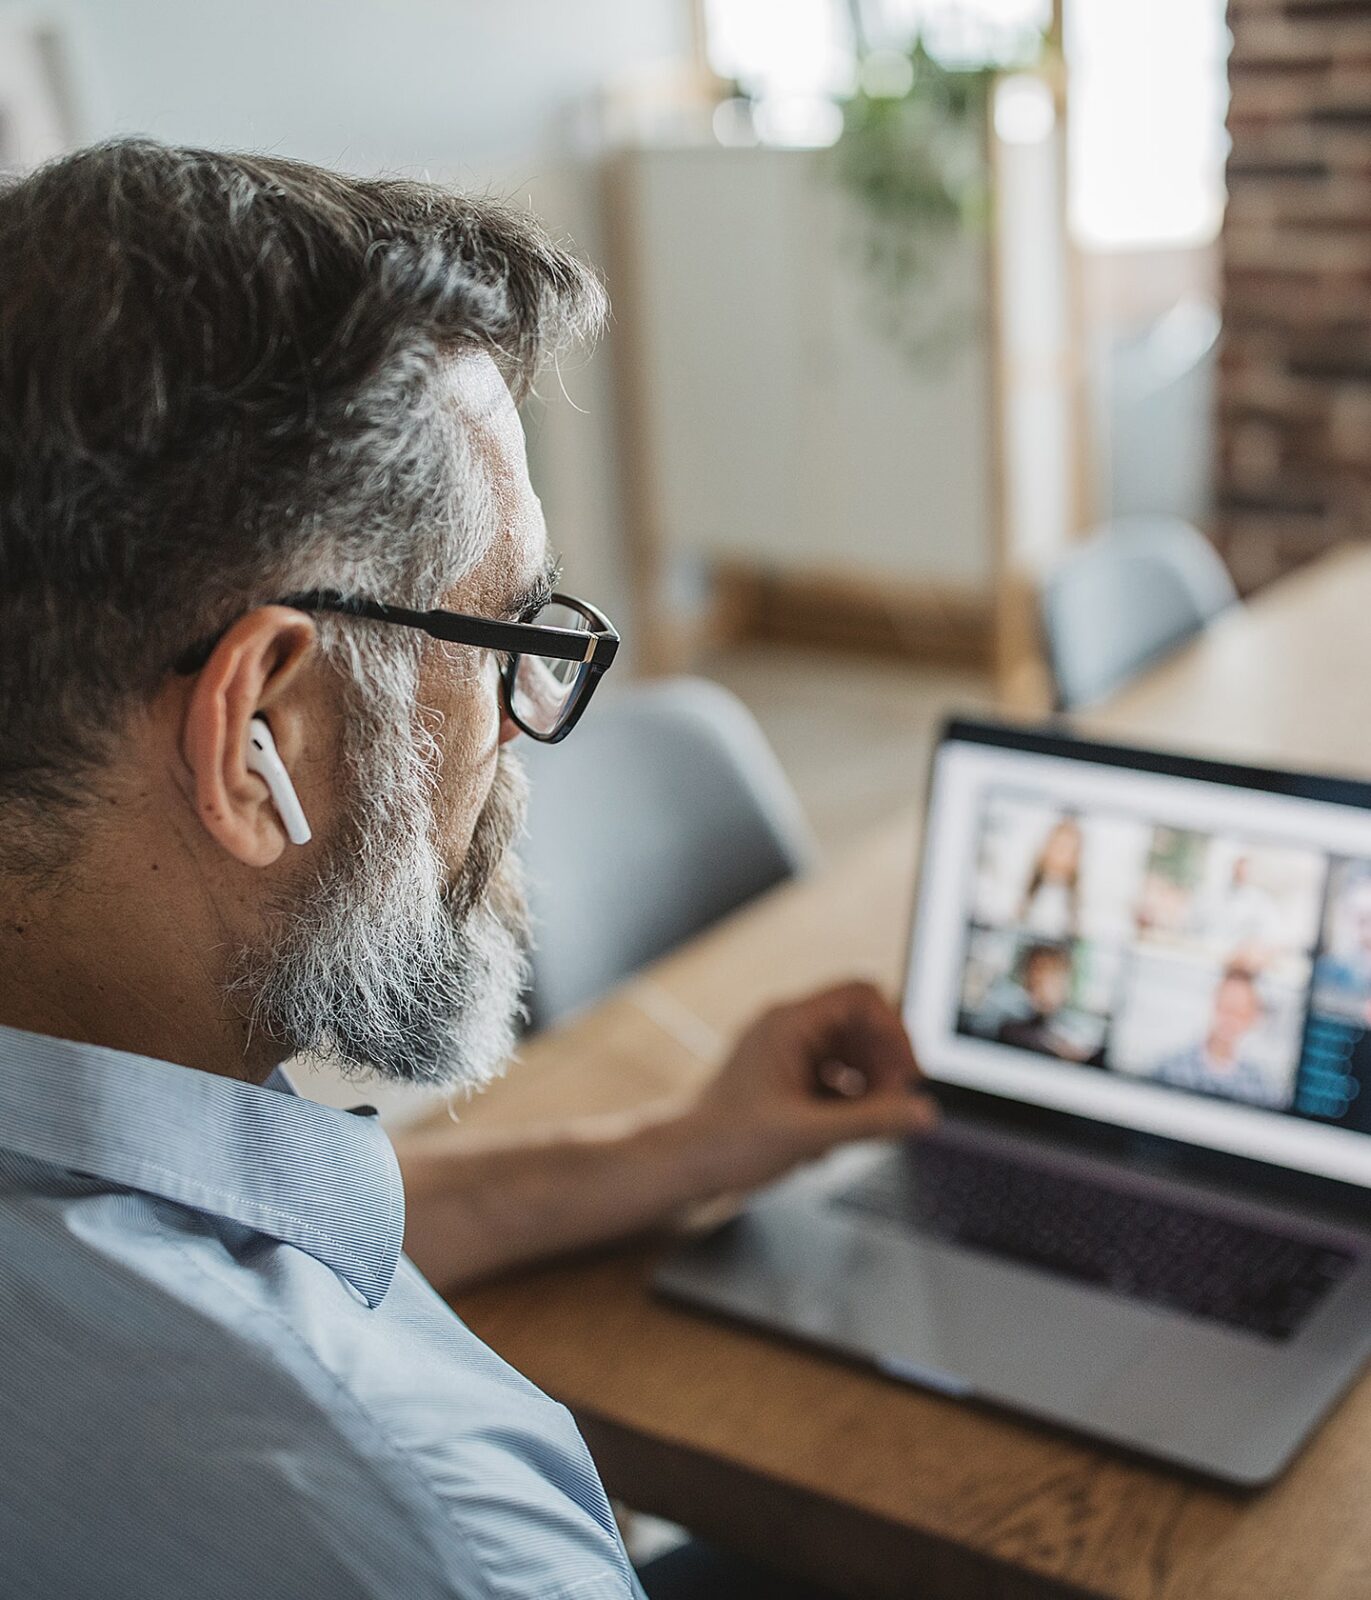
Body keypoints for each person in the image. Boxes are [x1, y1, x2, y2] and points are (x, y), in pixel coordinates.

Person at [0, 141, 937, 1599]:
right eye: (502, 640)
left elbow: (194, 1237)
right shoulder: (431, 1530)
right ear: (258, 733)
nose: (520, 733)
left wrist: (677, 1152)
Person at [1150, 966, 1285, 1109]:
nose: (1230, 1020)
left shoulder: (1262, 1088)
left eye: (1240, 1013)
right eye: (1225, 1008)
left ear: (1252, 1018)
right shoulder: (1170, 1068)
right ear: (1213, 1004)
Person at [996, 943, 1104, 1065]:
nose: (1039, 985)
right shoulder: (1011, 1025)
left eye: (1051, 978)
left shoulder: (1083, 1031)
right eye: (1035, 977)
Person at [1018, 816, 1083, 940]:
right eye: (1057, 845)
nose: (1060, 853)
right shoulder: (1024, 894)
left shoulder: (1078, 908)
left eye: (1067, 848)